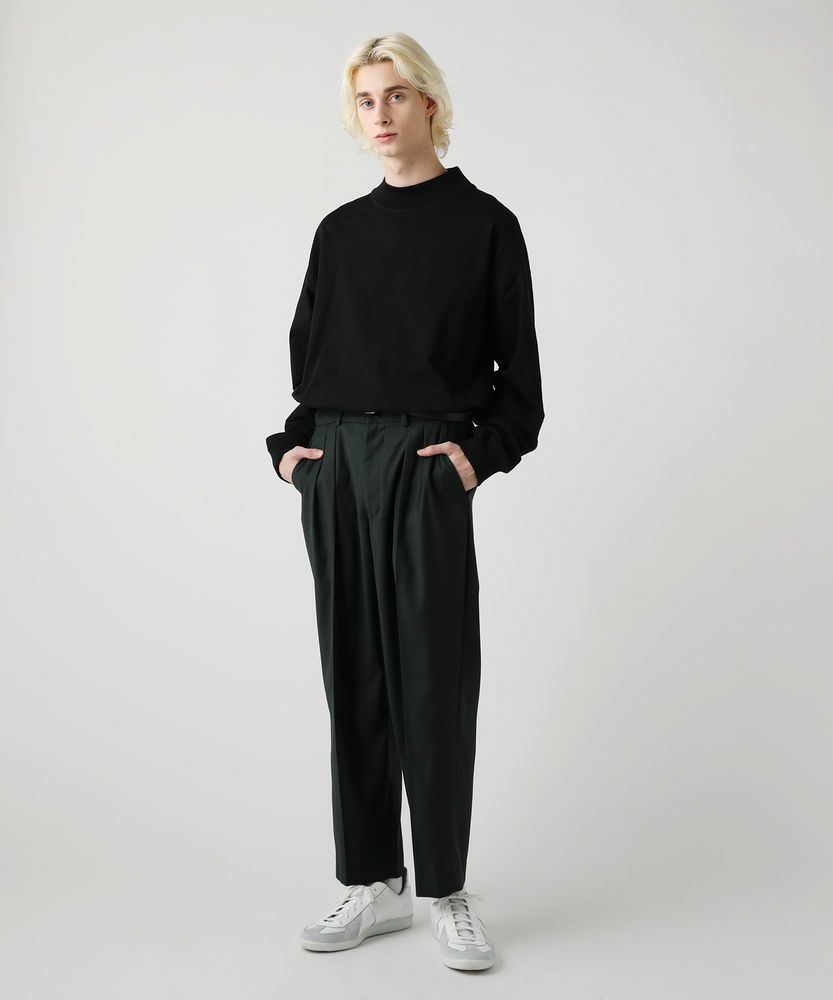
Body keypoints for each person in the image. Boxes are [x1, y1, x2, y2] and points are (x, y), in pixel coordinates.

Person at [265, 32, 545, 973]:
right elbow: (312, 364)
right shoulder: (339, 233)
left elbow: (521, 390)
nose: (379, 115)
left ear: (429, 102)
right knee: (353, 677)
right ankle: (372, 882)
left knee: (432, 678)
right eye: (365, 100)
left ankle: (445, 889)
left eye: (395, 96)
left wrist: (471, 459)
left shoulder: (485, 225)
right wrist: (295, 457)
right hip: (338, 463)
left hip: (427, 463)